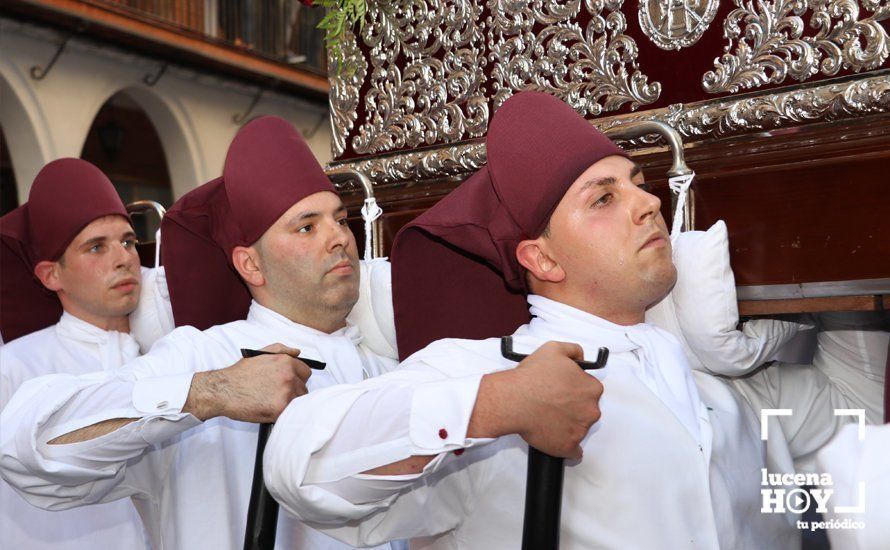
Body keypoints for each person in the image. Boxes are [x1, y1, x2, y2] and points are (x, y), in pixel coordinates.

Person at [261, 92, 852, 549]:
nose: (648, 203)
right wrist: (496, 405)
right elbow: (296, 464)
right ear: (539, 258)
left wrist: (800, 315)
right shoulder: (481, 370)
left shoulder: (732, 392)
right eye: (604, 198)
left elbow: (858, 403)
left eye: (638, 185)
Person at [0, 116, 599, 549]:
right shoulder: (202, 356)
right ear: (250, 265)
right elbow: (28, 443)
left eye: (339, 220)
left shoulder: (391, 372)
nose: (340, 237)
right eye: (306, 227)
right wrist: (208, 394)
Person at [0, 158, 148, 549]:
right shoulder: (14, 367)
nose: (124, 258)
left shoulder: (165, 354)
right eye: (96, 247)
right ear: (52, 275)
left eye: (128, 241)